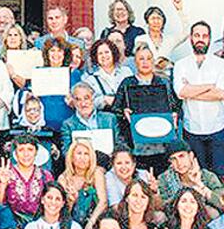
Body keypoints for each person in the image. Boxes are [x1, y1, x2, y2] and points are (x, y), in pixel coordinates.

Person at [173, 20, 224, 176]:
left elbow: (223, 94)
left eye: (204, 36)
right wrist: (210, 86)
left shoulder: (221, 64)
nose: (200, 39)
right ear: (191, 38)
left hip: (218, 128)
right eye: (197, 35)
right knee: (196, 175)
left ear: (209, 39)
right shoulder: (181, 65)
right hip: (192, 129)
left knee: (220, 175)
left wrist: (192, 90)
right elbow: (181, 92)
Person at [111, 43, 179, 173]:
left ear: (153, 61)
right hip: (137, 144)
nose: (145, 62)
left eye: (148, 58)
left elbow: (176, 107)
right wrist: (124, 112)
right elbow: (115, 109)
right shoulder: (127, 83)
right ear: (135, 62)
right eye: (141, 59)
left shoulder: (164, 83)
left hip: (162, 142)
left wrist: (174, 116)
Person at [0, 133, 53, 225]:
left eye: (30, 149)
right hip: (11, 224)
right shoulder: (6, 173)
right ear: (15, 153)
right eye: (21, 150)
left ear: (36, 152)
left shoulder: (45, 176)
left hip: (39, 224)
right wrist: (2, 184)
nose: (26, 154)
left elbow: (52, 204)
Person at [156, 140, 223, 218]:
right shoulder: (164, 178)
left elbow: (222, 203)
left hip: (202, 218)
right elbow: (163, 207)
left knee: (212, 212)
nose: (179, 163)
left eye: (182, 156)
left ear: (191, 156)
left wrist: (199, 185)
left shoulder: (208, 176)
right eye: (173, 159)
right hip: (176, 217)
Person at [58, 139, 109, 229]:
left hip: (94, 222)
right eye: (79, 153)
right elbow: (62, 210)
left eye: (86, 154)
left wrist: (90, 224)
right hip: (71, 223)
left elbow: (103, 202)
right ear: (72, 157)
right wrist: (71, 201)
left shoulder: (96, 174)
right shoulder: (63, 178)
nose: (83, 158)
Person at [60, 82, 123, 154]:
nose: (83, 103)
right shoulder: (68, 125)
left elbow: (120, 144)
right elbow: (66, 152)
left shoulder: (110, 119)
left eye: (86, 98)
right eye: (78, 99)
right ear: (73, 102)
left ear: (93, 98)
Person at [133, 0, 188, 75]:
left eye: (159, 18)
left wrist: (180, 10)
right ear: (147, 22)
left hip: (166, 79)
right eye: (153, 18)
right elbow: (140, 61)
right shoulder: (141, 39)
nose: (156, 22)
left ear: (163, 22)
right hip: (148, 79)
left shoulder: (169, 40)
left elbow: (186, 33)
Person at [84, 39, 133, 112]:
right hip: (105, 118)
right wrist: (104, 100)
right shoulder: (90, 79)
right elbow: (88, 102)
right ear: (96, 57)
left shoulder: (126, 72)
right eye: (100, 53)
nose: (104, 56)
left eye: (107, 52)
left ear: (113, 53)